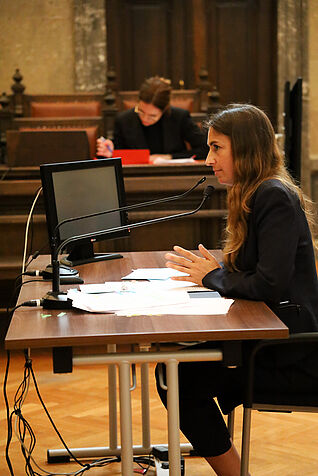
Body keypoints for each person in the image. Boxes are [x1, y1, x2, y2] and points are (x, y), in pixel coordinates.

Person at [156, 103, 318, 475]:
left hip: (292, 351)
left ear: (244, 149)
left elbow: (269, 281)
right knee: (177, 367)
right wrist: (216, 270)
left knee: (176, 376)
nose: (208, 159)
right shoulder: (256, 191)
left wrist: (212, 277)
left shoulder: (272, 195)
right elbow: (257, 270)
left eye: (217, 148)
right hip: (272, 337)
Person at [96, 76, 208, 162]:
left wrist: (169, 157)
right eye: (141, 111)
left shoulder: (179, 117)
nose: (145, 118)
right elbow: (118, 154)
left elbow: (205, 149)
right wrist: (110, 150)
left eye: (152, 116)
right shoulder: (124, 120)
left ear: (164, 110)